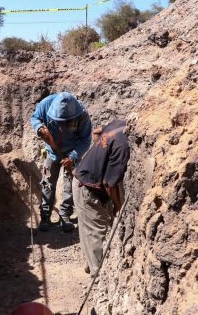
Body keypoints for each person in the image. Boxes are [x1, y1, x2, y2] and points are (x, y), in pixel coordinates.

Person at [72, 119, 130, 278]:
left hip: (82, 178)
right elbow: (108, 184)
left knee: (87, 228)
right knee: (95, 232)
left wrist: (100, 157)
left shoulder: (118, 125)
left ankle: (90, 266)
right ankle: (99, 277)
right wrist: (118, 206)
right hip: (87, 187)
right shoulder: (122, 148)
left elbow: (97, 132)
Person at [31, 92, 92, 232]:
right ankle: (45, 216)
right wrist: (39, 127)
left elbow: (86, 139)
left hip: (72, 153)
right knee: (47, 184)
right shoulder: (46, 104)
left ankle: (65, 215)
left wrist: (73, 157)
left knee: (69, 185)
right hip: (52, 153)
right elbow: (34, 118)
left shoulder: (82, 115)